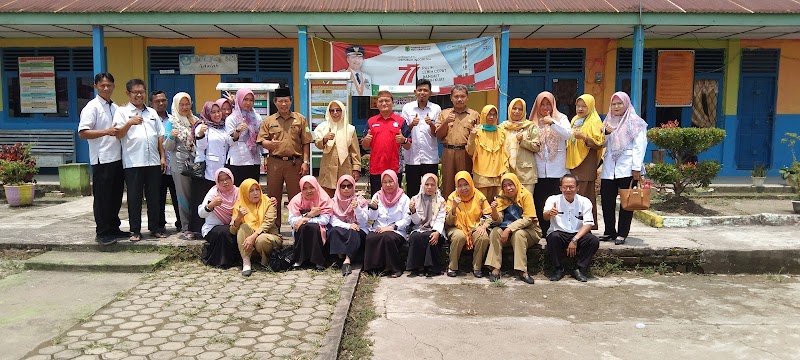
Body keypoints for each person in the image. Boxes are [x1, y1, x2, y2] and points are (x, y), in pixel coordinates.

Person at [113, 79, 166, 242]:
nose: (138, 95)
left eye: (141, 91)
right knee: (134, 198)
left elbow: (159, 136)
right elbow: (118, 134)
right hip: (133, 163)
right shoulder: (121, 112)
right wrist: (129, 122)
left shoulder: (152, 113)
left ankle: (155, 228)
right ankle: (135, 230)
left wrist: (162, 156)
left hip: (153, 162)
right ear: (128, 94)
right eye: (135, 92)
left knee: (154, 197)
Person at [77, 72, 125, 245]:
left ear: (113, 86)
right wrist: (106, 132)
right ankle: (102, 232)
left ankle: (114, 228)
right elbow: (83, 133)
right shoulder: (92, 107)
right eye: (102, 85)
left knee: (116, 196)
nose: (106, 88)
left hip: (117, 158)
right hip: (101, 159)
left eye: (109, 85)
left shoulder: (115, 107)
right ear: (96, 86)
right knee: (103, 198)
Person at [258, 87, 313, 227]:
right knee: (272, 197)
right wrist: (270, 144)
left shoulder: (300, 119)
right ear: (275, 102)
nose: (284, 104)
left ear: (291, 101)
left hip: (294, 163)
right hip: (275, 163)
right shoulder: (268, 121)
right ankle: (274, 228)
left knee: (296, 197)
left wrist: (305, 162)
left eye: (286, 101)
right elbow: (262, 141)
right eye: (280, 101)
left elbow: (306, 142)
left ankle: (297, 227)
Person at [600, 91, 648, 245]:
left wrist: (636, 168)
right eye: (613, 104)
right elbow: (602, 143)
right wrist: (605, 133)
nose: (616, 107)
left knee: (627, 201)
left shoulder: (635, 122)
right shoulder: (608, 120)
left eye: (619, 103)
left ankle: (622, 233)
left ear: (626, 104)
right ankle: (609, 231)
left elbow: (640, 146)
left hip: (627, 167)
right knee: (607, 200)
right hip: (609, 168)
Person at [485, 173, 542, 284]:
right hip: (508, 234)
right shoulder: (500, 197)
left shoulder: (525, 195)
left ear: (516, 183)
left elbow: (528, 219)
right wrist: (495, 212)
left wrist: (509, 229)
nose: (508, 188)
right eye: (505, 186)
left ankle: (522, 271)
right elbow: (499, 221)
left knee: (519, 234)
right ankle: (495, 268)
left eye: (510, 184)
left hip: (529, 231)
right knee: (495, 231)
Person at [543, 174, 600, 282]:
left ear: (578, 188)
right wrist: (550, 213)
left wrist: (575, 239)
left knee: (593, 241)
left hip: (578, 233)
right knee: (552, 237)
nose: (568, 190)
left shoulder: (585, 201)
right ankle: (558, 269)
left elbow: (588, 224)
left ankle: (579, 269)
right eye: (565, 187)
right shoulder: (553, 199)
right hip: (560, 233)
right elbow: (545, 217)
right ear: (560, 188)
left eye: (571, 187)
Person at [530, 91, 572, 235]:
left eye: (548, 104)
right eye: (542, 104)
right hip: (539, 168)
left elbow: (568, 134)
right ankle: (542, 229)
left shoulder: (561, 118)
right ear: (537, 106)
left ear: (553, 104)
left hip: (558, 168)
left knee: (557, 200)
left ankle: (558, 229)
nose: (546, 107)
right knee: (540, 200)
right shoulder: (533, 121)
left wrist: (552, 123)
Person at [361, 90, 412, 196]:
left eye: (387, 100)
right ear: (377, 104)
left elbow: (408, 145)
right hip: (376, 168)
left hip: (394, 168)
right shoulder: (371, 121)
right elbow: (364, 146)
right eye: (381, 101)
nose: (384, 103)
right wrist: (366, 140)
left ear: (392, 102)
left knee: (394, 199)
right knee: (376, 200)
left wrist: (404, 140)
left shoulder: (401, 121)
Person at [164, 92, 200, 239]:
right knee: (183, 197)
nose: (185, 107)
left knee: (197, 195)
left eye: (187, 104)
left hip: (196, 163)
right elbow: (167, 146)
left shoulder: (195, 120)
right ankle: (186, 228)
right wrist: (171, 136)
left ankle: (197, 225)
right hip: (180, 165)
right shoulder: (171, 122)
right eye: (182, 104)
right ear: (176, 105)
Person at [567, 94, 605, 230]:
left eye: (584, 106)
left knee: (585, 196)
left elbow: (599, 143)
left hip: (586, 163)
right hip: (574, 162)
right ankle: (574, 226)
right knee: (574, 196)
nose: (580, 109)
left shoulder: (595, 121)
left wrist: (584, 137)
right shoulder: (575, 120)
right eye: (578, 106)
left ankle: (587, 226)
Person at [230, 178, 283, 277]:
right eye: (251, 190)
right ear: (244, 192)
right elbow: (232, 231)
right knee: (243, 227)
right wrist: (239, 218)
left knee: (262, 239)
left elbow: (268, 223)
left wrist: (253, 236)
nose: (255, 193)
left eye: (257, 189)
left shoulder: (269, 202)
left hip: (269, 237)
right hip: (250, 245)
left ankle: (265, 262)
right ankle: (246, 262)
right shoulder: (239, 205)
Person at [444, 171, 491, 278]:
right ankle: (452, 267)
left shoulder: (478, 195)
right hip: (456, 227)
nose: (463, 188)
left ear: (471, 183)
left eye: (466, 185)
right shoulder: (453, 197)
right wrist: (454, 207)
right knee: (459, 236)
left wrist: (483, 226)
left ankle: (477, 267)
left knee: (483, 237)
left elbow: (488, 214)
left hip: (475, 226)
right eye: (460, 186)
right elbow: (449, 222)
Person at [435, 85, 480, 197]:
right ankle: (449, 211)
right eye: (456, 97)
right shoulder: (444, 114)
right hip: (448, 152)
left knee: (465, 182)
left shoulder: (474, 115)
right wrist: (446, 122)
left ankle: (466, 210)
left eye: (462, 96)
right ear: (451, 98)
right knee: (448, 183)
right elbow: (438, 135)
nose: (459, 99)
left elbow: (479, 137)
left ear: (467, 98)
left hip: (466, 153)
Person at [364, 170, 410, 277]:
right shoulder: (377, 196)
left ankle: (396, 268)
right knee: (370, 238)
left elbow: (407, 220)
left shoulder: (403, 198)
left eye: (391, 181)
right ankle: (375, 268)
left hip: (397, 230)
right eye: (385, 182)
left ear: (396, 181)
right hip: (378, 228)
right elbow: (372, 217)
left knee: (387, 237)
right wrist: (374, 208)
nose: (388, 185)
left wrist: (391, 227)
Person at [401, 79, 441, 197]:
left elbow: (438, 134)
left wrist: (431, 124)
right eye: (420, 90)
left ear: (430, 93)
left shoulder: (436, 109)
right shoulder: (407, 108)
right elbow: (403, 133)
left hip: (430, 158)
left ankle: (430, 214)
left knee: (430, 191)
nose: (422, 93)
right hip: (412, 158)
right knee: (413, 192)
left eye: (425, 90)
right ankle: (413, 215)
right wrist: (412, 124)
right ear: (415, 91)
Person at [194, 101, 232, 224]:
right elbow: (202, 146)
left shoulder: (223, 126)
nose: (217, 115)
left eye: (218, 111)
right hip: (208, 169)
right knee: (204, 198)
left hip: (222, 167)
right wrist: (200, 134)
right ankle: (197, 228)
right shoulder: (203, 126)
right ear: (207, 113)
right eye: (213, 112)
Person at [313, 100, 361, 196]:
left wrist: (356, 169)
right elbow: (318, 145)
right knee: (327, 198)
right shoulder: (322, 127)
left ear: (342, 111)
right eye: (332, 110)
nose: (335, 113)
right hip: (327, 169)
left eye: (338, 110)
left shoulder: (350, 129)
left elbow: (355, 151)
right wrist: (324, 139)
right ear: (328, 112)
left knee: (344, 197)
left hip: (345, 168)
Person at [287, 176, 333, 271]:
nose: (309, 191)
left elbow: (325, 220)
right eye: (305, 188)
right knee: (303, 228)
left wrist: (305, 219)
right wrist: (309, 215)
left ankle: (318, 261)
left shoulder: (323, 198)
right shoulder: (296, 200)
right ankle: (300, 260)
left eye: (311, 187)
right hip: (301, 228)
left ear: (316, 186)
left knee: (313, 228)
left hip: (320, 228)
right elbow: (292, 220)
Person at [151, 90, 181, 232]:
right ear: (151, 103)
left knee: (178, 196)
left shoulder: (173, 120)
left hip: (174, 165)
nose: (161, 103)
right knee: (158, 197)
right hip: (157, 166)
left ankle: (181, 223)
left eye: (163, 100)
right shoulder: (149, 120)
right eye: (157, 101)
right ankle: (159, 225)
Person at [198, 168, 241, 268]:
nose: (225, 182)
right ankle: (222, 261)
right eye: (221, 180)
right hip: (213, 227)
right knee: (225, 232)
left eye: (227, 178)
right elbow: (201, 214)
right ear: (217, 181)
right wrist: (210, 206)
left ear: (232, 178)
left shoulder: (238, 192)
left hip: (235, 225)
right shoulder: (213, 194)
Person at [406, 173, 446, 278]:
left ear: (436, 186)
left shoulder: (441, 200)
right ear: (422, 185)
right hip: (420, 227)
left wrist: (437, 232)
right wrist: (413, 211)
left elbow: (441, 218)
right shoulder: (415, 199)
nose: (429, 187)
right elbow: (416, 222)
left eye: (432, 185)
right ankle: (418, 267)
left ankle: (432, 268)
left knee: (431, 237)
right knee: (416, 236)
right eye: (426, 184)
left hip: (435, 228)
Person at [328, 175, 369, 276]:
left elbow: (364, 221)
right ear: (339, 187)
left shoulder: (360, 200)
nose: (346, 189)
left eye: (349, 186)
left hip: (359, 228)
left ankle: (347, 260)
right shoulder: (334, 201)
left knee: (354, 232)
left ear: (353, 187)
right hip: (344, 227)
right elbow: (333, 220)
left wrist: (357, 209)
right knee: (334, 231)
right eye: (343, 186)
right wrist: (348, 226)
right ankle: (339, 258)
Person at [467, 105, 508, 201]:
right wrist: (472, 136)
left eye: (494, 115)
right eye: (489, 114)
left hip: (498, 174)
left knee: (498, 203)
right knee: (481, 202)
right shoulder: (477, 131)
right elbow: (470, 151)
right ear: (483, 115)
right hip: (482, 174)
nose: (491, 117)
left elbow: (505, 152)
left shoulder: (501, 132)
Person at [500, 98, 540, 194]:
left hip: (526, 173)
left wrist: (523, 140)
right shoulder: (502, 127)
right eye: (514, 108)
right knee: (509, 205)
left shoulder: (531, 126)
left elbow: (537, 147)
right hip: (507, 171)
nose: (517, 112)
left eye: (520, 109)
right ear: (509, 109)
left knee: (526, 203)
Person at [226, 88, 262, 186]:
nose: (248, 103)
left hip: (254, 159)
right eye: (245, 99)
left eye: (251, 100)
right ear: (239, 100)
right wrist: (237, 131)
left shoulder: (257, 117)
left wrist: (265, 155)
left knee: (252, 189)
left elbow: (260, 137)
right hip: (238, 160)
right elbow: (229, 141)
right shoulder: (232, 118)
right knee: (238, 191)